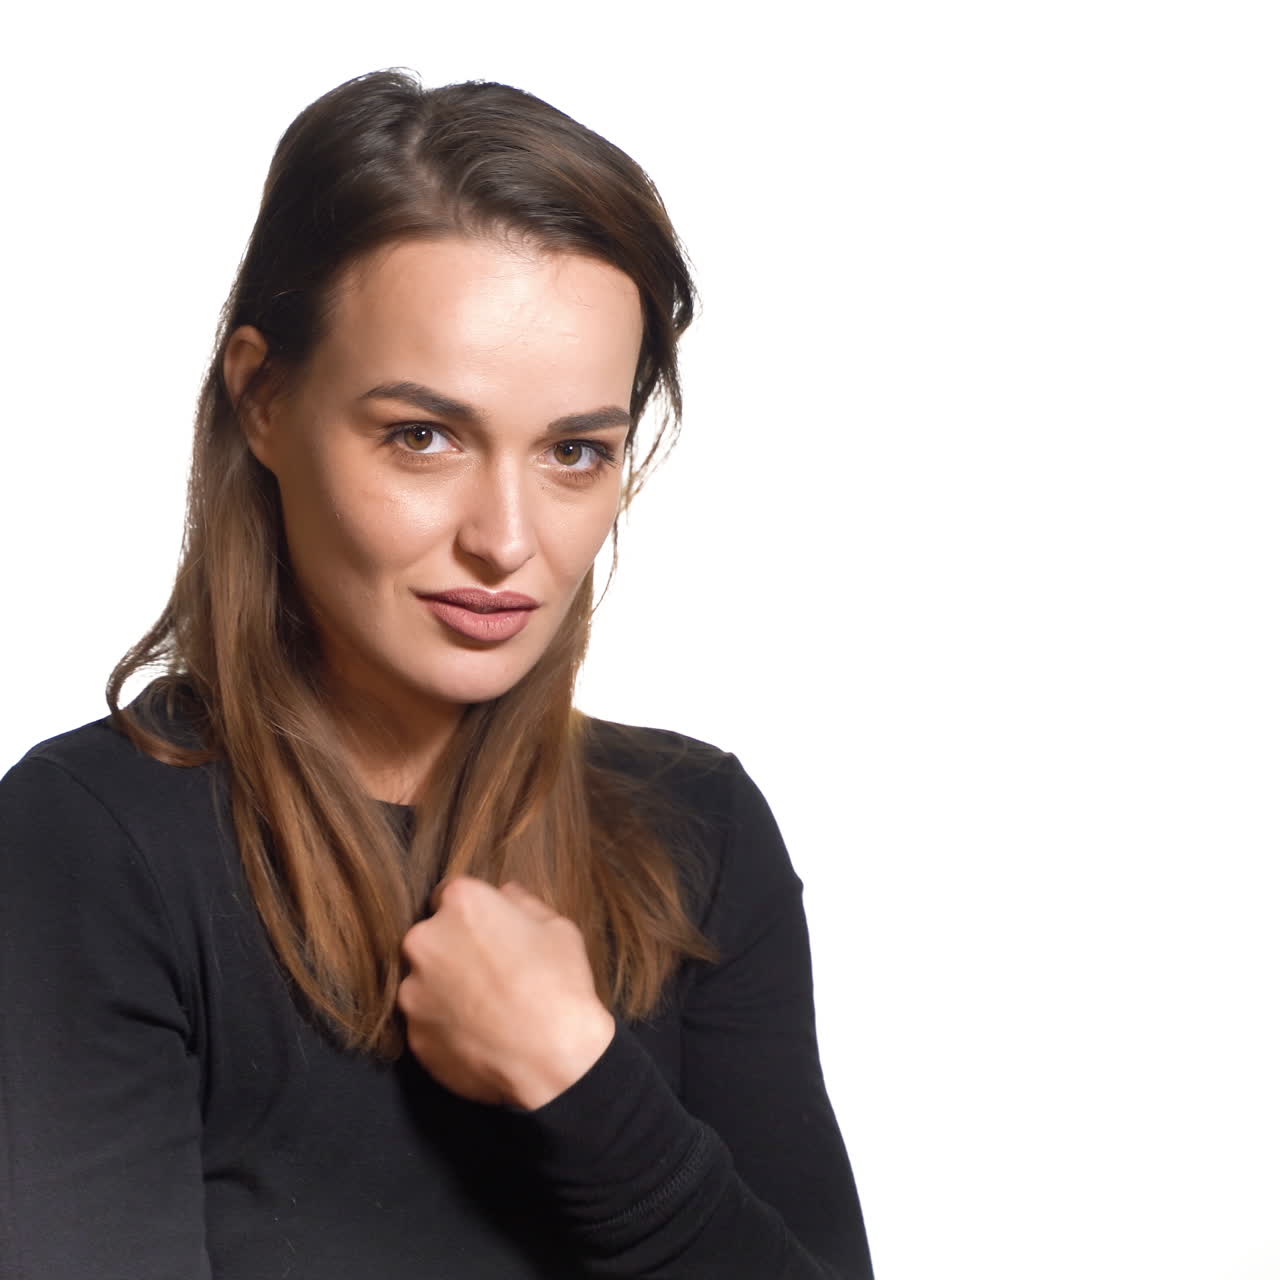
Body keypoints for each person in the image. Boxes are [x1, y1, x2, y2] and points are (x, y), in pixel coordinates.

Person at [0, 69, 874, 1279]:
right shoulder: (90, 844)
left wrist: (580, 1075)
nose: (506, 539)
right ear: (262, 395)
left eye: (575, 450)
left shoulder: (699, 833)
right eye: (423, 435)